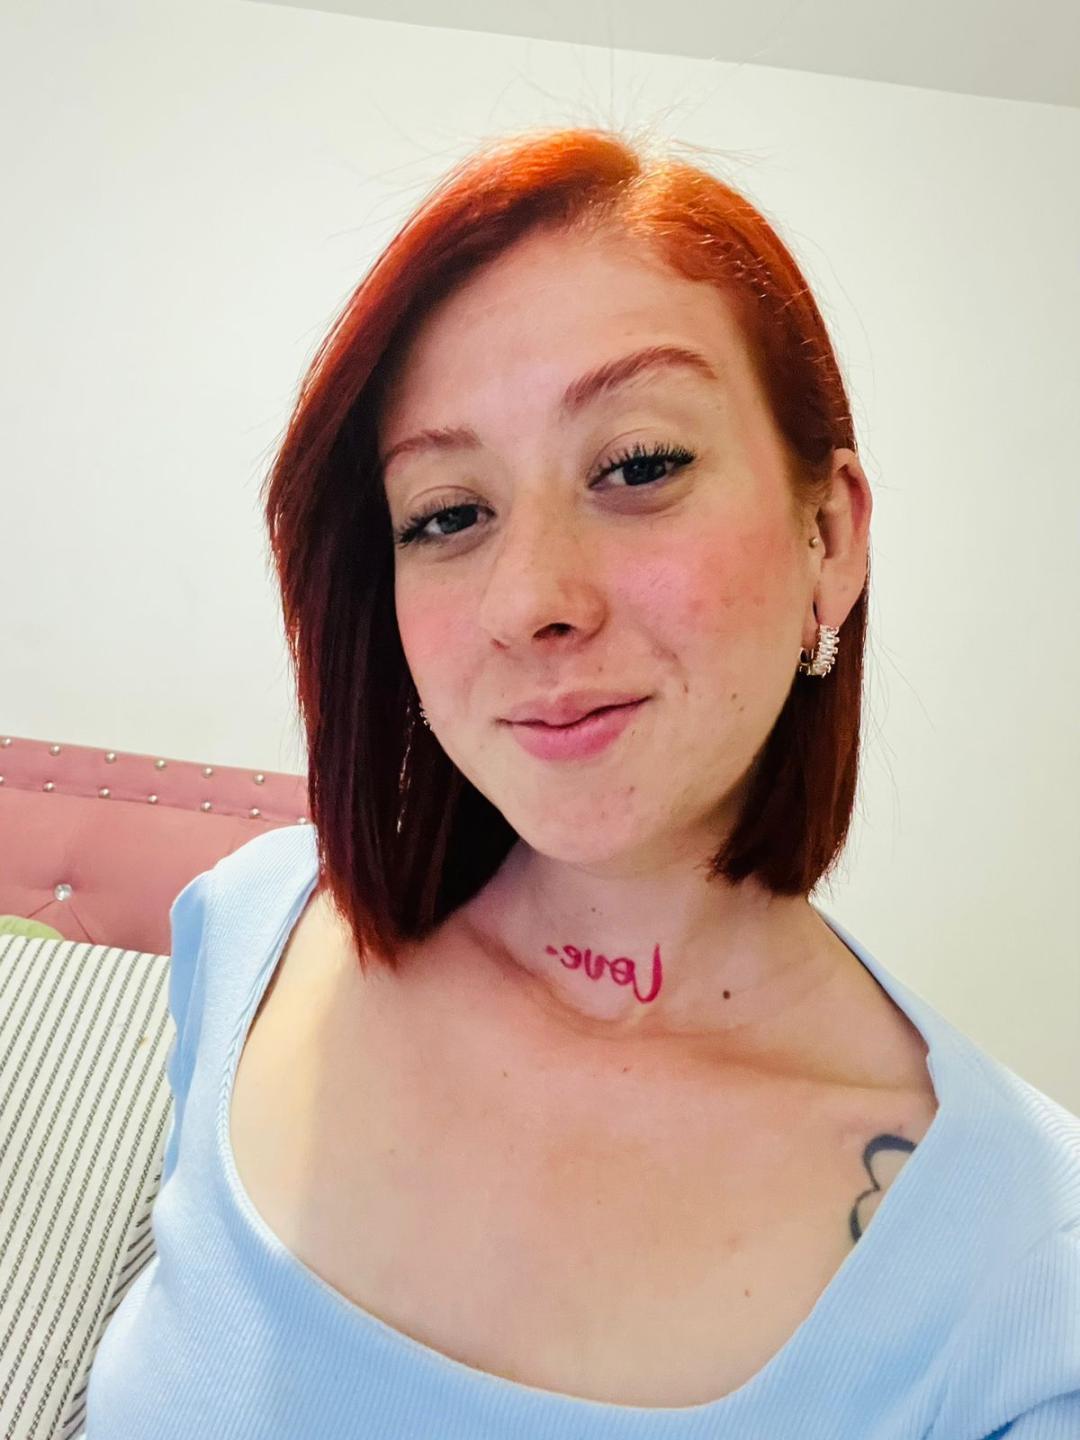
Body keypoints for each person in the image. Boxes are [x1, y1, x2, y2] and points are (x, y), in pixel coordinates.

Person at [84, 126, 1080, 1439]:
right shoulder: (253, 927)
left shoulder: (1027, 1281)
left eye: (639, 465)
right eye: (447, 514)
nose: (530, 600)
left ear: (829, 535)